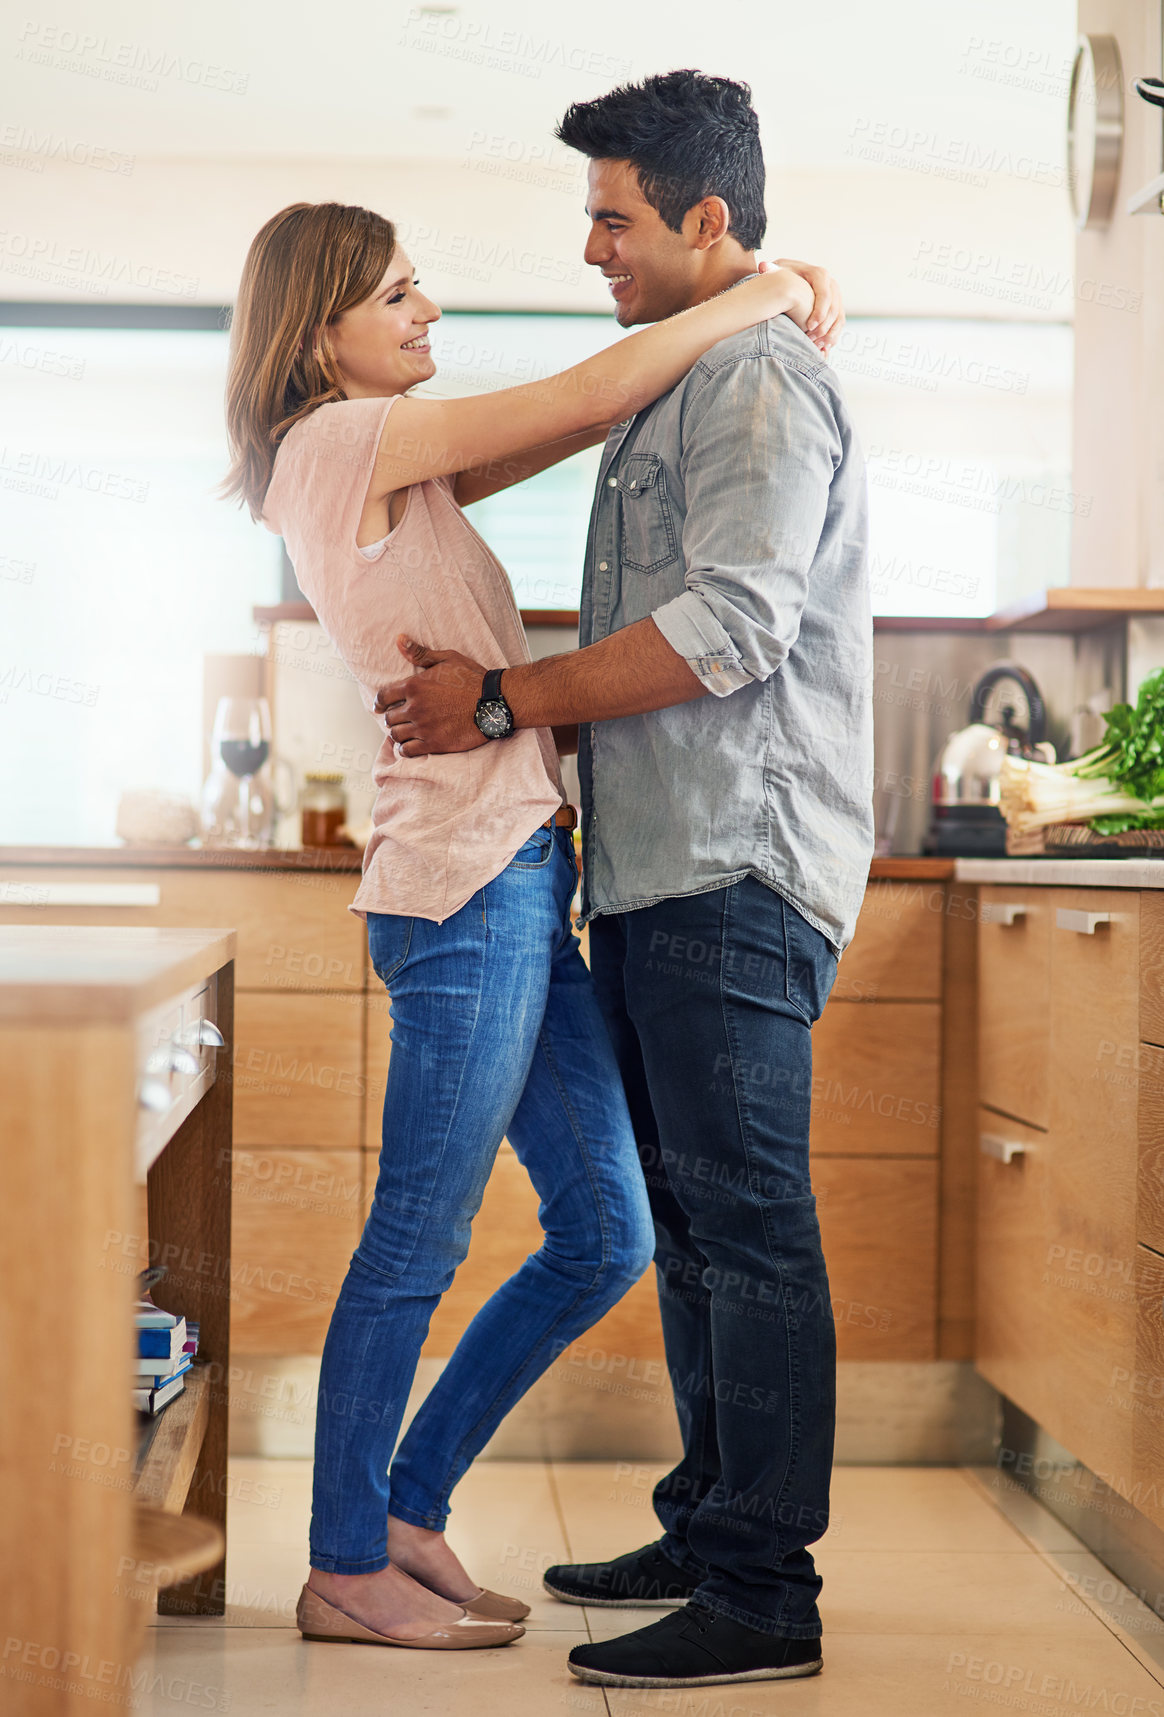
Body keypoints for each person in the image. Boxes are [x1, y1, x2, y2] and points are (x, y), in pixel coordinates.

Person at [221, 198, 840, 1655]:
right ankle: (338, 1561)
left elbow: (566, 426)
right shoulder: (335, 444)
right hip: (460, 893)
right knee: (415, 1241)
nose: (429, 312)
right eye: (400, 295)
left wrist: (730, 312)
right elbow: (583, 392)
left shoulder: (397, 466)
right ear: (322, 338)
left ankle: (406, 1502)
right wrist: (772, 285)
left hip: (515, 876)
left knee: (607, 1227)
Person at [373, 70, 875, 1689]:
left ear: (705, 221)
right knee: (692, 1225)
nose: (592, 243)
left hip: (735, 860)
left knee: (747, 1225)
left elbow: (732, 630)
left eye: (613, 215)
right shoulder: (690, 376)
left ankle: (761, 1594)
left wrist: (508, 697)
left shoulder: (752, 389)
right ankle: (709, 1516)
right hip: (663, 870)